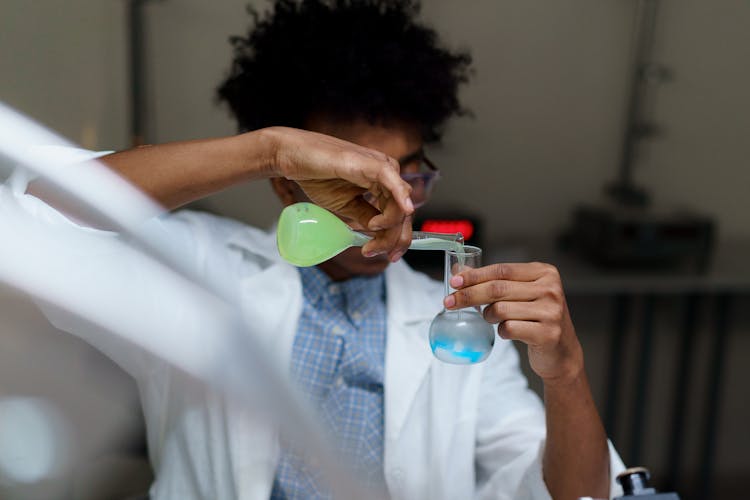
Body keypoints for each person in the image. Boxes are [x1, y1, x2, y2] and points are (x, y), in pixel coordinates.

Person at [12, 1, 625, 498]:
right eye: (360, 181)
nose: (395, 206)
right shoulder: (202, 273)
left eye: (409, 176)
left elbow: (578, 496)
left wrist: (566, 370)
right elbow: (34, 218)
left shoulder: (459, 328)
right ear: (287, 183)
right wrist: (267, 148)